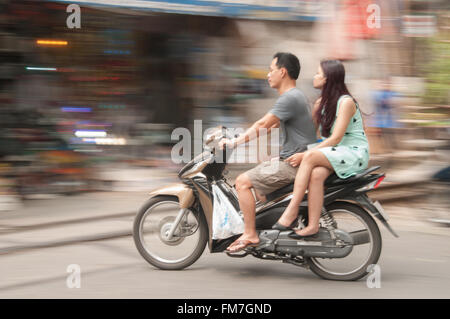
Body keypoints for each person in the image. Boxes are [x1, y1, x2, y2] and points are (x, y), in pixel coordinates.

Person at [219, 52, 317, 253]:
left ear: (282, 72)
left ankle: (250, 234)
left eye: (271, 70)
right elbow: (269, 126)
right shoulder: (296, 97)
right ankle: (270, 234)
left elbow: (263, 123)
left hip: (294, 165)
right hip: (296, 160)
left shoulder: (289, 98)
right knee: (261, 189)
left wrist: (234, 142)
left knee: (242, 182)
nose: (267, 75)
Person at [273, 59, 369, 238]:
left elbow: (336, 138)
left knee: (309, 158)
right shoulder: (321, 104)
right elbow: (309, 134)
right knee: (316, 175)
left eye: (318, 73)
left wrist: (306, 154)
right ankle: (313, 225)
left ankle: (291, 211)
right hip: (333, 153)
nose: (314, 76)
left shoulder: (345, 102)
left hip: (352, 152)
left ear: (328, 78)